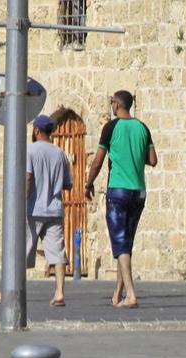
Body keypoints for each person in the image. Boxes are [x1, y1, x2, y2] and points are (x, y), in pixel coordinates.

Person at [84, 90, 158, 308]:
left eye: (111, 102)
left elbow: (97, 162)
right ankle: (118, 293)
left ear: (117, 104)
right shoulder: (142, 128)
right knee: (125, 242)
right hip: (139, 191)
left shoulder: (111, 127)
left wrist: (88, 183)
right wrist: (135, 154)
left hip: (118, 190)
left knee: (120, 242)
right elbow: (152, 160)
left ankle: (132, 295)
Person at [26, 114, 73, 307]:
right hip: (54, 210)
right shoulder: (60, 153)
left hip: (33, 209)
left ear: (36, 130)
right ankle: (60, 292)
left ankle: (11, 292)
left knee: (20, 251)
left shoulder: (29, 151)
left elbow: (28, 178)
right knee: (57, 252)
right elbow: (68, 185)